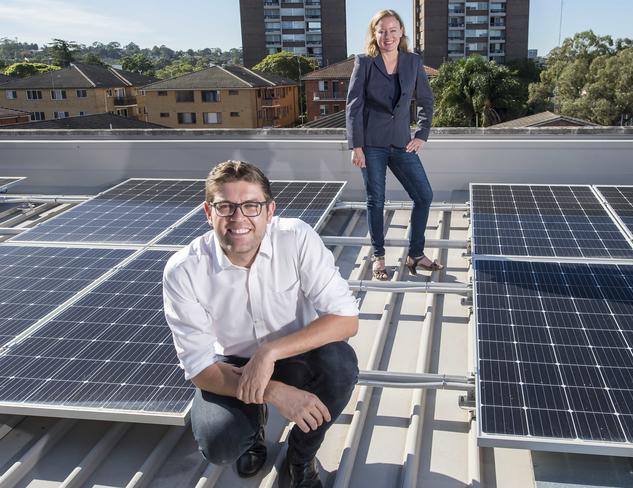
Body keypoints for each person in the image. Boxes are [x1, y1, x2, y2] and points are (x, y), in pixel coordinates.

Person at [163, 160, 359, 488]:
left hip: (293, 353)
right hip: (233, 365)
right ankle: (252, 431)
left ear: (269, 211)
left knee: (340, 366)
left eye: (251, 205)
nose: (239, 218)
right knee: (219, 440)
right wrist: (272, 391)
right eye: (225, 206)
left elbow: (345, 319)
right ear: (208, 213)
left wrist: (269, 352)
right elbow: (199, 368)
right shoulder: (183, 270)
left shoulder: (296, 238)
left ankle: (301, 455)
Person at [346, 9, 443, 280]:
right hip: (371, 144)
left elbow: (426, 100)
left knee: (424, 196)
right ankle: (378, 257)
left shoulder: (413, 62)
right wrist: (356, 146)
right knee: (376, 201)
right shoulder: (364, 62)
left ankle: (415, 253)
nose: (387, 36)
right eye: (381, 31)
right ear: (374, 34)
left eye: (392, 30)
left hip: (401, 143)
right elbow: (354, 107)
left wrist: (422, 134)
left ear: (401, 32)